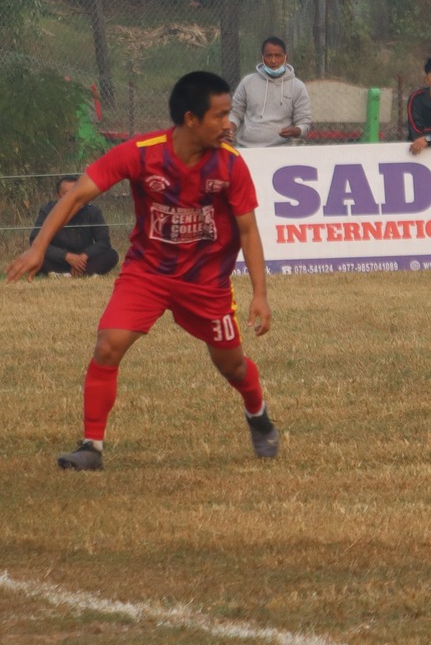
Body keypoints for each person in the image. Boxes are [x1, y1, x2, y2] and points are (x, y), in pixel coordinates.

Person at [5, 71, 278, 471]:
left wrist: (260, 294)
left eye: (228, 115)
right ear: (190, 119)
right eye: (219, 116)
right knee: (108, 345)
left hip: (205, 284)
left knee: (232, 365)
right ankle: (91, 447)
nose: (228, 124)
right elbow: (80, 193)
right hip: (147, 274)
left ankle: (258, 416)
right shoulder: (142, 152)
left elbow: (248, 231)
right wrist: (37, 248)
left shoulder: (231, 165)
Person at [229, 36, 312, 147]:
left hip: (281, 150)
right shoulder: (247, 82)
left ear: (285, 58)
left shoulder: (298, 87)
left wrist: (296, 131)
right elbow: (235, 113)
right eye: (269, 56)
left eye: (278, 56)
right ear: (262, 58)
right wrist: (229, 129)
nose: (273, 61)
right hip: (246, 148)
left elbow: (304, 122)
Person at [30, 176, 119, 277]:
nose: (71, 199)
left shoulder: (93, 211)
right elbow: (35, 240)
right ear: (57, 196)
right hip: (58, 259)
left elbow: (104, 242)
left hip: (84, 260)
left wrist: (85, 255)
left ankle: (69, 273)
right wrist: (66, 256)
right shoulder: (47, 211)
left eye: (75, 194)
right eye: (67, 195)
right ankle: (83, 273)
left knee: (112, 255)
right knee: (35, 257)